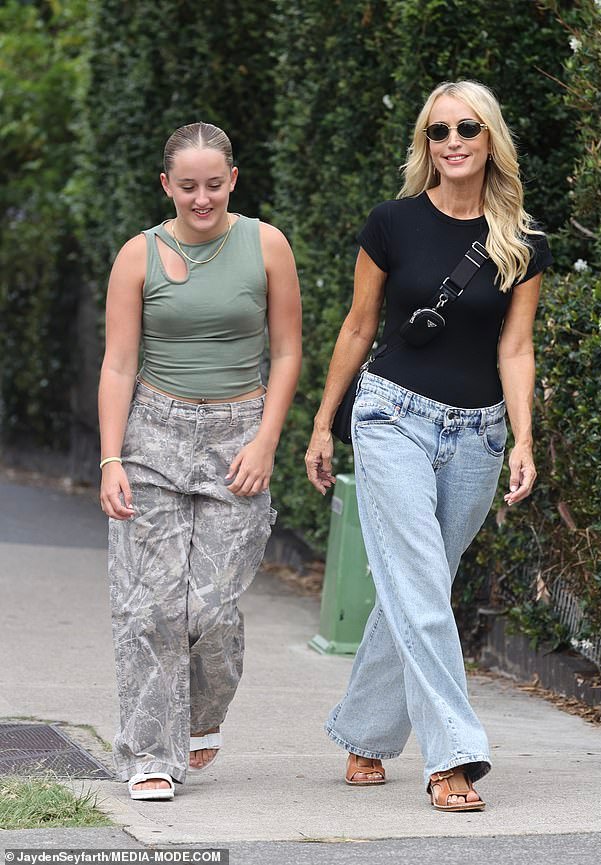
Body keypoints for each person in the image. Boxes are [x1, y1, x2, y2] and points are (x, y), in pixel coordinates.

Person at [305, 80, 553, 812]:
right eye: (438, 130)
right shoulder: (391, 223)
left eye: (467, 128)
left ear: (489, 139)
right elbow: (357, 326)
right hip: (391, 416)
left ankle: (364, 731)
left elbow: (516, 348)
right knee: (417, 580)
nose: (452, 141)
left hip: (477, 432)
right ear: (425, 143)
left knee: (419, 586)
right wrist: (325, 421)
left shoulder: (523, 242)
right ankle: (452, 755)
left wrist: (522, 436)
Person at [99, 121, 302, 800]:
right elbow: (119, 363)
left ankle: (199, 716)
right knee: (149, 607)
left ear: (233, 180)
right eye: (187, 186)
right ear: (167, 185)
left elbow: (286, 352)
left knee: (209, 609)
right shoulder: (138, 255)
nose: (202, 197)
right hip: (152, 431)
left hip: (238, 432)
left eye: (214, 184)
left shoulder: (266, 245)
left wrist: (266, 441)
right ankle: (150, 756)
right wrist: (109, 458)